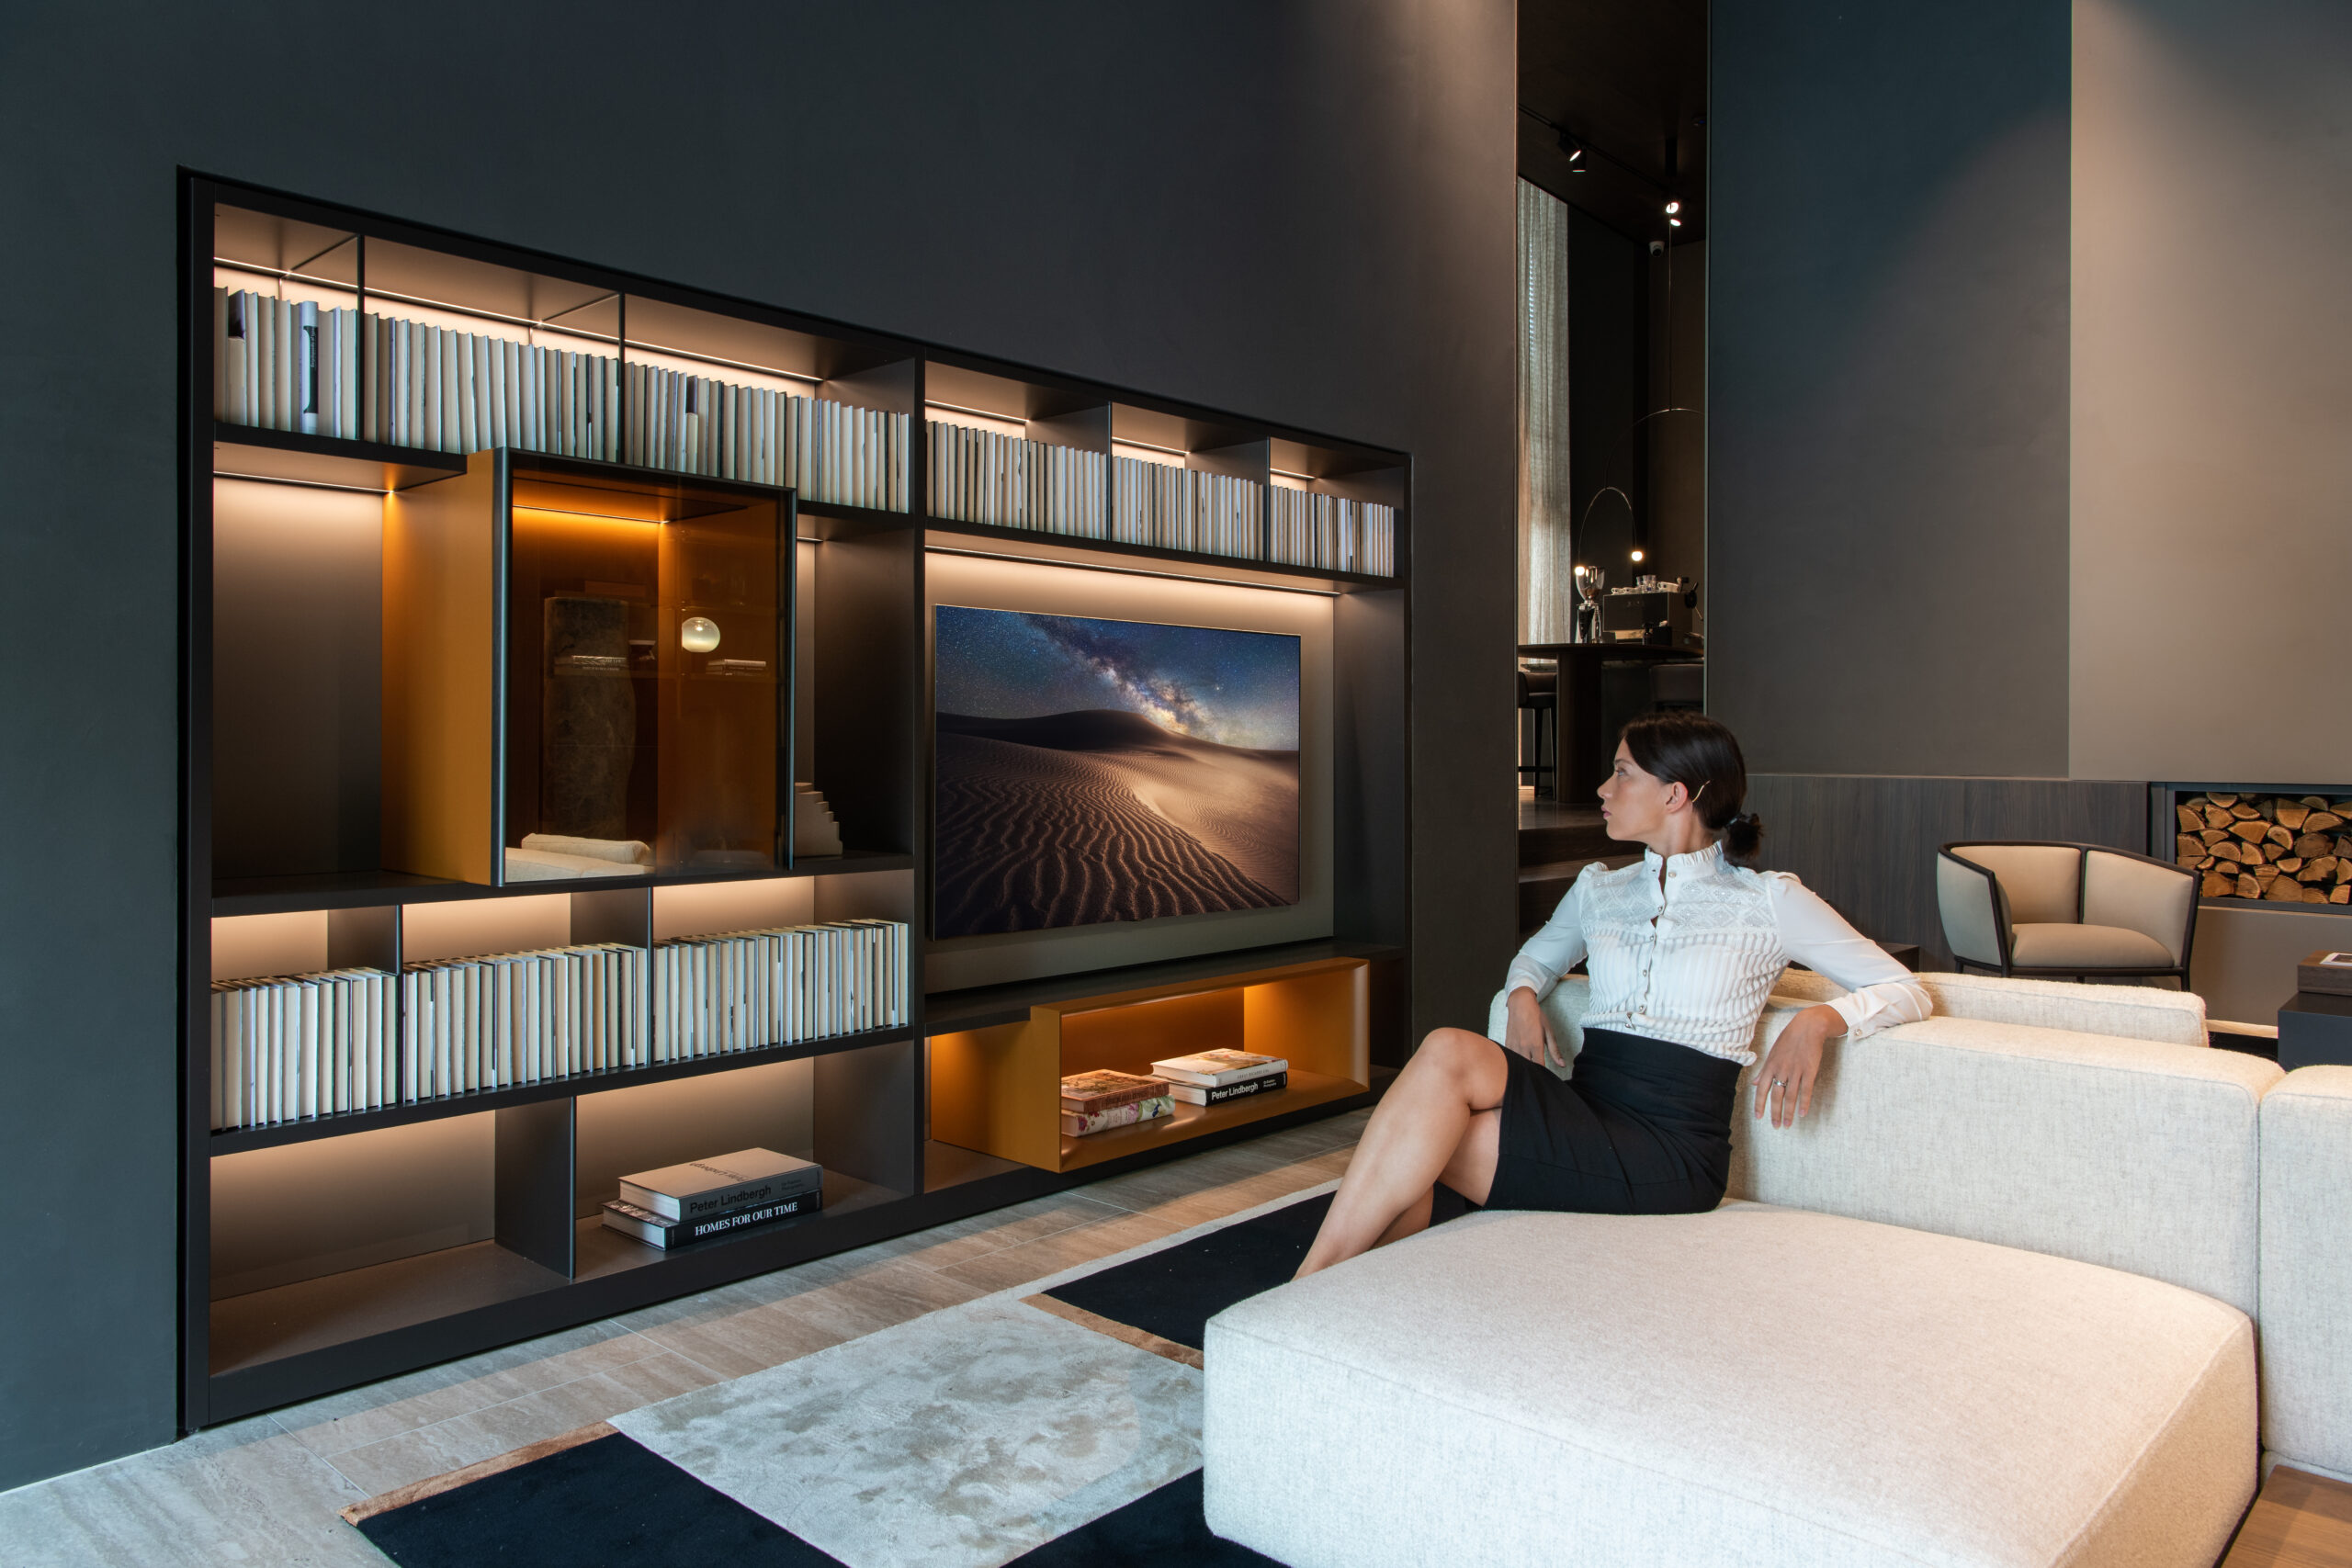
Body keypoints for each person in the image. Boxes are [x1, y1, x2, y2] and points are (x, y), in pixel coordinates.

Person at [1295, 711, 1928, 1279]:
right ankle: (1339, 1289)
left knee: (1417, 1150)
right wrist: (1522, 994)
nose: (1602, 789)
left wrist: (1820, 1018)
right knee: (1442, 1057)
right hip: (1587, 1107)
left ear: (1675, 793)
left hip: (1671, 1147)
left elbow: (1905, 988)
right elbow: (1534, 958)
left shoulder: (1769, 902)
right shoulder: (1601, 887)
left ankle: (1309, 1290)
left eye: (1622, 773)